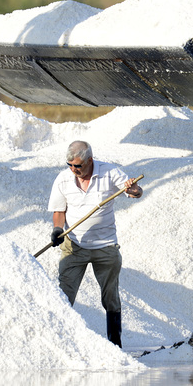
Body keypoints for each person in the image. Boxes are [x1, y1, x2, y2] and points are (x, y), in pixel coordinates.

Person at [48, 140, 142, 347]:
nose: (74, 170)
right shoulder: (63, 179)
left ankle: (115, 345)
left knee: (111, 298)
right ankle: (62, 345)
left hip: (105, 246)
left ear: (90, 160)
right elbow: (59, 211)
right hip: (74, 246)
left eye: (78, 166)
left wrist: (133, 189)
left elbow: (135, 192)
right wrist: (57, 230)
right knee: (63, 295)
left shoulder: (109, 172)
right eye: (70, 165)